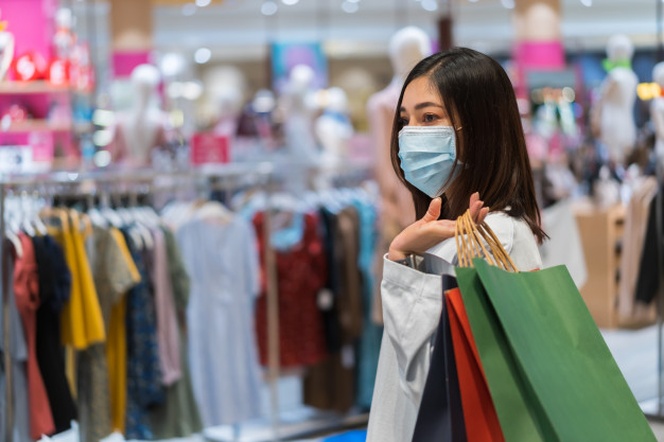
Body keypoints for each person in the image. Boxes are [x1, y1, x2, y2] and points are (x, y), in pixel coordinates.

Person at [366, 47, 546, 442]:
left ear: (480, 126)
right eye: (405, 120)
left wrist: (399, 257)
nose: (410, 133)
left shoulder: (493, 235)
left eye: (429, 118)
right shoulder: (451, 230)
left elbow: (434, 381)